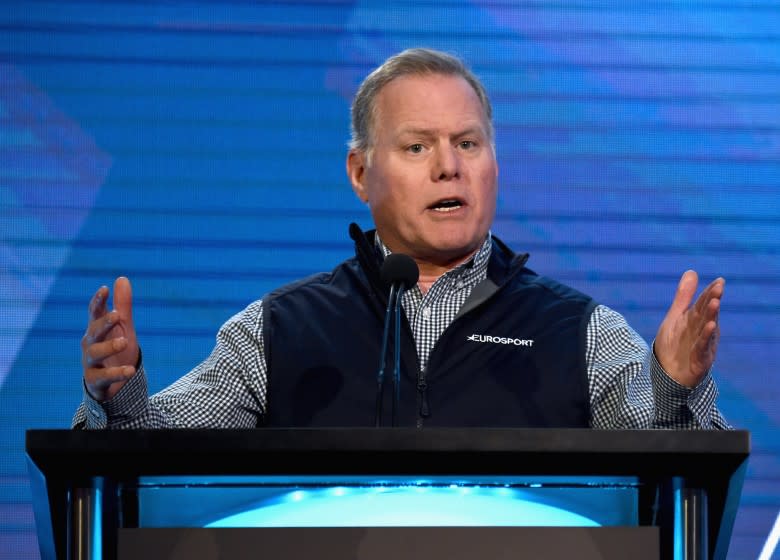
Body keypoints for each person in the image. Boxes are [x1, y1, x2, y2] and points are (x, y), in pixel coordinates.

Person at [74, 48, 729, 430]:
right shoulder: (276, 331)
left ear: (494, 163)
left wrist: (675, 386)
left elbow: (669, 469)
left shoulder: (583, 331)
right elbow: (154, 450)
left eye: (467, 144)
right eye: (418, 146)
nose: (450, 166)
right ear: (361, 172)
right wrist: (120, 395)